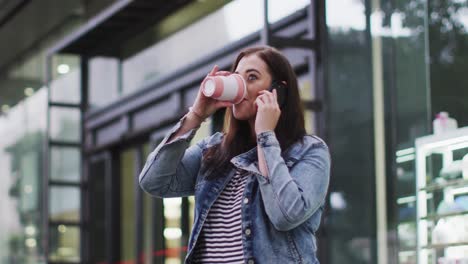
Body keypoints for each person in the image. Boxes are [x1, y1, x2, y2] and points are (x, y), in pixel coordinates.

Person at [139, 46, 331, 264]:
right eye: (237, 78)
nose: (241, 87)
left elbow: (285, 215)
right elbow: (152, 181)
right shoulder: (214, 150)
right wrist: (196, 114)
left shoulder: (310, 151)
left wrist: (265, 135)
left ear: (278, 91)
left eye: (252, 77)